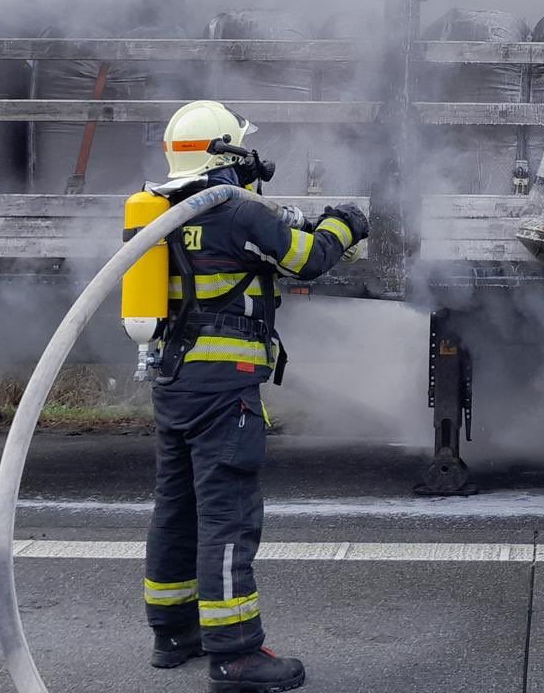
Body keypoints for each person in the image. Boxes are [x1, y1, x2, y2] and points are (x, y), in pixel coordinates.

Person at [134, 100, 368, 692]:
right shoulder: (235, 209)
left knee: (176, 509)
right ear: (226, 152)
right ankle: (236, 654)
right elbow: (307, 259)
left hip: (173, 381)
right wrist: (345, 223)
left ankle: (172, 633)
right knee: (227, 518)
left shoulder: (157, 209)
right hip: (225, 388)